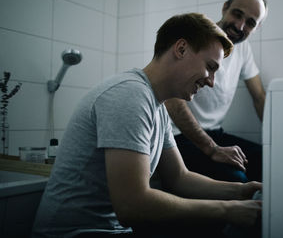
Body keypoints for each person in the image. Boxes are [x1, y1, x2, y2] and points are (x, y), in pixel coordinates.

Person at [31, 13, 262, 238]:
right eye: (210, 67)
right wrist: (226, 211)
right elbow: (132, 205)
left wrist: (241, 191)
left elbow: (179, 177)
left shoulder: (157, 105)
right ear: (181, 49)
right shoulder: (130, 95)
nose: (211, 82)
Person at [165, 0, 267, 183]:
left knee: (268, 162)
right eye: (237, 14)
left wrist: (277, 139)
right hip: (178, 135)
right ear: (225, 8)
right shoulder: (195, 38)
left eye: (250, 22)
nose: (239, 25)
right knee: (237, 179)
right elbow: (172, 101)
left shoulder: (243, 48)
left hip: (214, 132)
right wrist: (211, 149)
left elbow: (259, 97)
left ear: (257, 27)